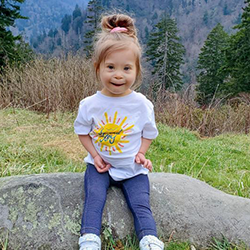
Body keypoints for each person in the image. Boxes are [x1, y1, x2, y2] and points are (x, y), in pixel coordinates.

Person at [74, 13, 164, 250]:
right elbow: (83, 132)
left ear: (136, 70)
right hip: (100, 167)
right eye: (111, 67)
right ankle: (90, 239)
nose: (118, 75)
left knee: (140, 203)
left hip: (132, 169)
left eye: (126, 68)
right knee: (94, 199)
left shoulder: (142, 104)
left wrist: (141, 154)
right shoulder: (89, 104)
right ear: (98, 67)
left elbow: (148, 132)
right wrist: (94, 156)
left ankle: (149, 240)